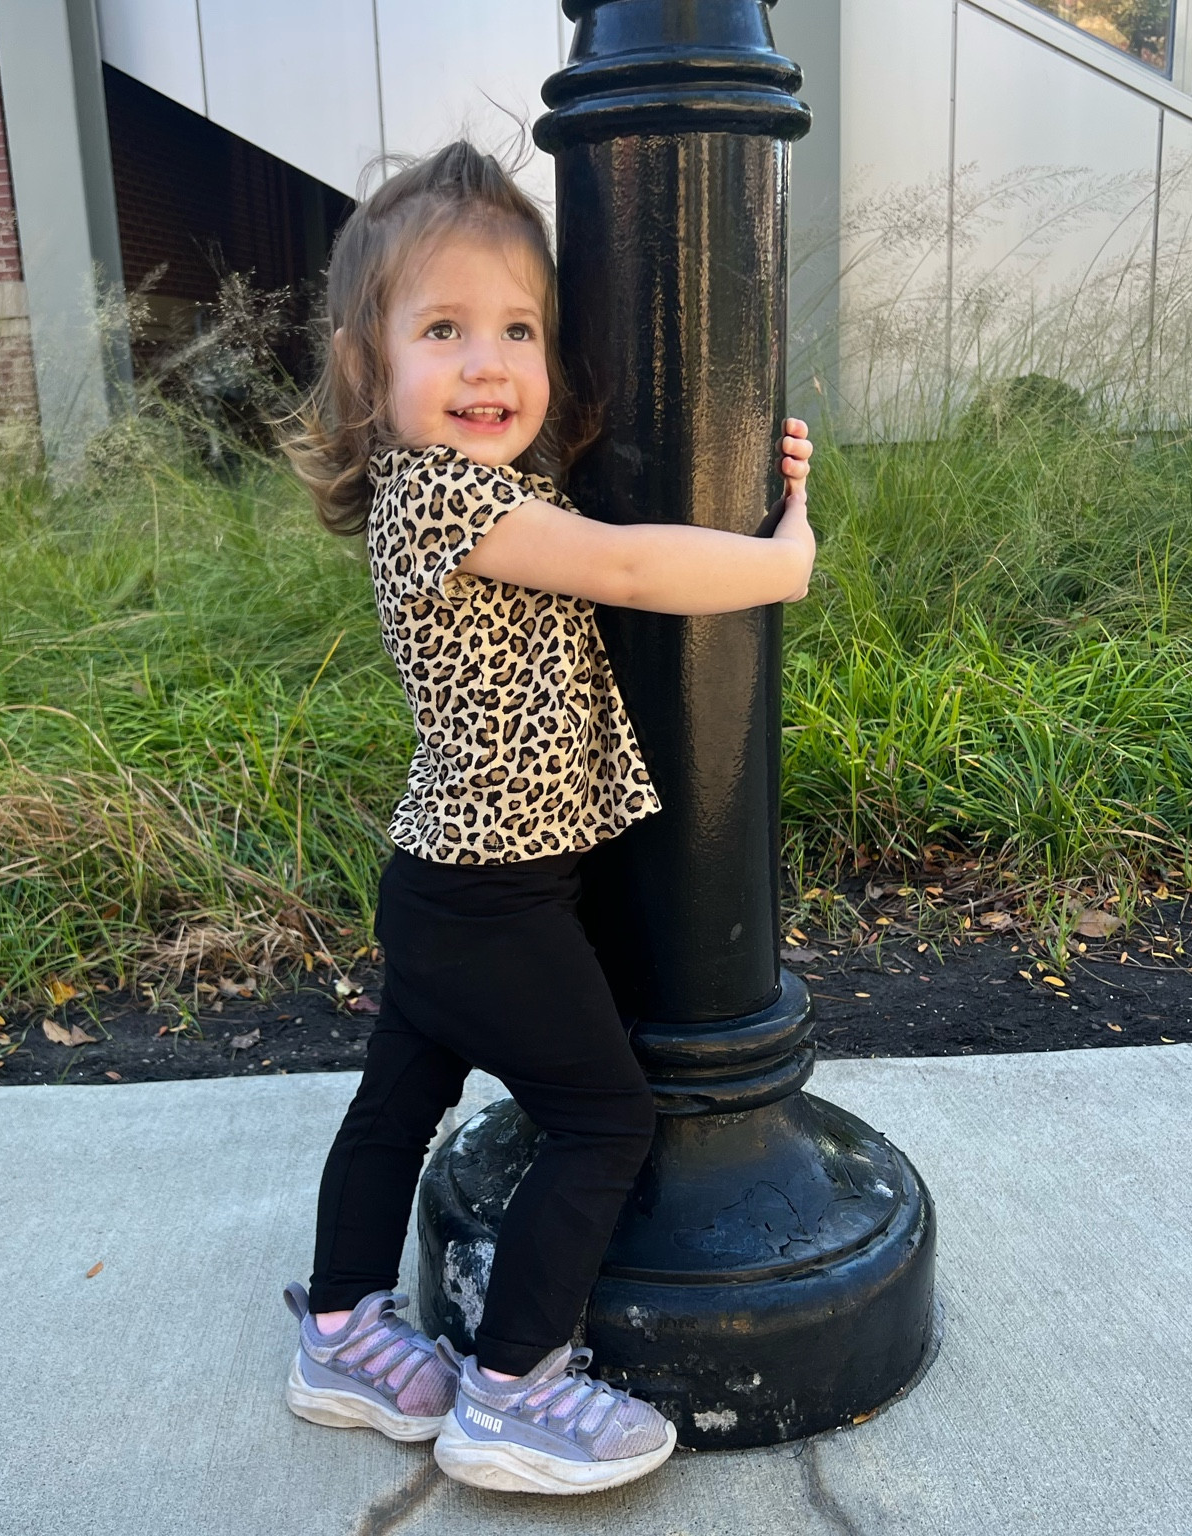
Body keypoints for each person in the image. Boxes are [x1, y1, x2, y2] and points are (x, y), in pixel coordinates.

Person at [277, 141, 815, 1497]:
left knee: (396, 1108)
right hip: (491, 896)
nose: (488, 364)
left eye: (519, 330)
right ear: (366, 367)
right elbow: (627, 562)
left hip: (451, 880)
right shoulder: (439, 495)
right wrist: (780, 560)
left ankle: (339, 1334)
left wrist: (759, 458)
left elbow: (595, 516)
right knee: (604, 1119)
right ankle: (512, 1390)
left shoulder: (493, 491)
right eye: (443, 331)